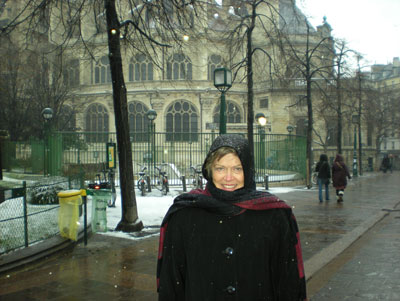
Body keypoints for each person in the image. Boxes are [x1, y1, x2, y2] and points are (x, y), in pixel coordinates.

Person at [157, 134, 307, 300]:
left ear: (248, 170)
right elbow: (171, 283)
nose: (228, 178)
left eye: (237, 169)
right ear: (209, 171)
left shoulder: (274, 215)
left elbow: (288, 282)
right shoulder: (184, 215)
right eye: (220, 168)